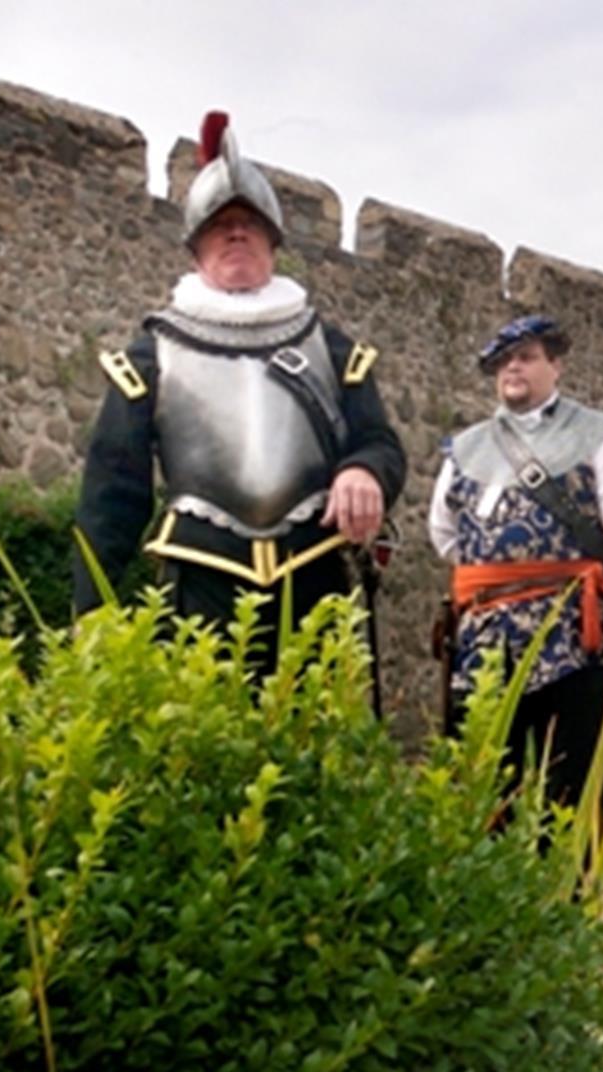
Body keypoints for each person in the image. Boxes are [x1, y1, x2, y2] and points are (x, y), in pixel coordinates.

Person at [73, 112, 405, 672]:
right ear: (196, 250)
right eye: (219, 224)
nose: (235, 232)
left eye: (248, 223)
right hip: (200, 580)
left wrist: (365, 470)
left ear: (272, 243)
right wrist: (91, 613)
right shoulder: (150, 357)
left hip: (315, 573)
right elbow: (112, 498)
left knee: (319, 737)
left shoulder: (333, 348)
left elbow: (379, 441)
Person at [429, 314, 603, 807]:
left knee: (571, 793)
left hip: (570, 637)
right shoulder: (464, 449)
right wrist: (499, 581)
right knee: (480, 793)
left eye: (525, 357)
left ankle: (573, 886)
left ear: (556, 365)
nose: (511, 368)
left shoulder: (601, 436)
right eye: (502, 361)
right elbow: (444, 532)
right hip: (483, 641)